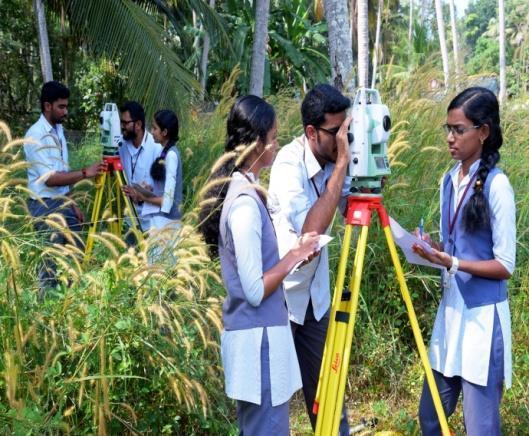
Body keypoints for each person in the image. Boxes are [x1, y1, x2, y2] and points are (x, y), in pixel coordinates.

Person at [198, 95, 320, 435]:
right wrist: (294, 256)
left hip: (257, 342)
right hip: (259, 346)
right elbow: (253, 290)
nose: (278, 144)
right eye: (274, 137)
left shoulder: (244, 190)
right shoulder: (244, 206)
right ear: (256, 143)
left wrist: (292, 253)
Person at [412, 87, 516, 435]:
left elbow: (505, 264)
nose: (450, 138)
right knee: (431, 416)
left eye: (459, 130)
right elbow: (454, 247)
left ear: (482, 132)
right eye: (448, 129)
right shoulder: (449, 179)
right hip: (452, 314)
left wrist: (453, 262)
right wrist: (432, 248)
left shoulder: (497, 186)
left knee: (480, 427)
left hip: (482, 323)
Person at [267, 83, 352, 434]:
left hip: (315, 301)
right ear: (311, 132)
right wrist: (344, 164)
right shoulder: (288, 166)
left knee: (330, 401)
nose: (343, 141)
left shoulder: (334, 155)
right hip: (282, 300)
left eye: (347, 130)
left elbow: (351, 204)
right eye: (337, 133)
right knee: (275, 403)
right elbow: (309, 233)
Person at [23, 81, 106, 291]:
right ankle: (45, 314)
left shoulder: (58, 130)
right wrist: (86, 173)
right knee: (50, 264)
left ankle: (70, 304)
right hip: (44, 206)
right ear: (47, 106)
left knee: (77, 255)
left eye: (66, 106)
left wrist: (73, 203)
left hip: (63, 204)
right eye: (61, 107)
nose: (66, 112)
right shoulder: (35, 135)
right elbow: (50, 178)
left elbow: (63, 169)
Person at [118, 101, 162, 233]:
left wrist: (143, 192)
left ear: (138, 125)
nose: (122, 127)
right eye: (121, 122)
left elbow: (164, 192)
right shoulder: (120, 145)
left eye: (126, 123)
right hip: (129, 220)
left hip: (152, 223)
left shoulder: (157, 148)